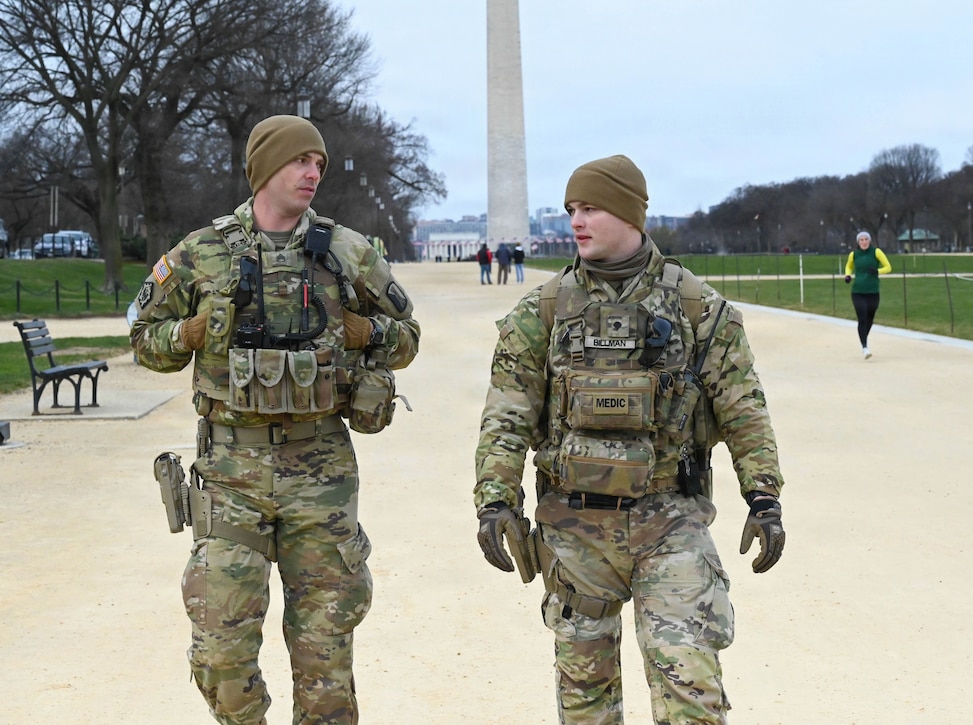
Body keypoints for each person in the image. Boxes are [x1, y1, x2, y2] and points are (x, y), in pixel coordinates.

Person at [473, 154, 786, 724]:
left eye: (590, 207)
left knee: (692, 694)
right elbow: (506, 416)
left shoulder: (699, 309)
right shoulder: (541, 313)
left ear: (628, 211)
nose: (576, 220)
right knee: (585, 702)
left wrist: (764, 498)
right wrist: (495, 501)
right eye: (571, 209)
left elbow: (744, 411)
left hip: (671, 522)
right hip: (573, 533)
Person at [130, 114, 421, 725]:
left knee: (326, 655)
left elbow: (408, 338)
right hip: (230, 472)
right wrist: (188, 331)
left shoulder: (348, 251)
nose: (313, 172)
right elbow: (143, 339)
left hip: (322, 475)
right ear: (264, 169)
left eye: (318, 162)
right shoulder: (201, 252)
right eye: (299, 161)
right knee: (218, 648)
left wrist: (365, 331)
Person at [843, 229, 891, 359]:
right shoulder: (854, 254)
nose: (864, 242)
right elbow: (849, 266)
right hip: (858, 291)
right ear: (858, 242)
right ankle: (864, 346)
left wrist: (876, 271)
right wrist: (848, 275)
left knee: (870, 318)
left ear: (870, 241)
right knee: (862, 317)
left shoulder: (876, 252)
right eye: (861, 240)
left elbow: (888, 267)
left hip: (873, 291)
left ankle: (864, 337)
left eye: (866, 239)